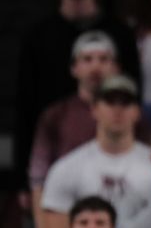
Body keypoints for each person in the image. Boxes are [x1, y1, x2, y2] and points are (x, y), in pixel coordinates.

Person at [14, 0, 140, 215]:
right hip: (57, 143)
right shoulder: (38, 36)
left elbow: (134, 95)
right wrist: (22, 182)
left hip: (117, 157)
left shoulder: (119, 33)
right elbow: (24, 107)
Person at [40, 75, 151, 228]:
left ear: (137, 111)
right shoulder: (66, 168)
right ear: (94, 109)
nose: (117, 110)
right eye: (110, 102)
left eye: (125, 103)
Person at [29, 31, 119, 226]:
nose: (96, 66)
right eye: (87, 59)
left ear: (115, 67)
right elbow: (38, 178)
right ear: (74, 68)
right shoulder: (55, 115)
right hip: (66, 211)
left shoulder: (132, 116)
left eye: (103, 59)